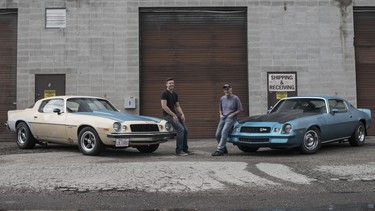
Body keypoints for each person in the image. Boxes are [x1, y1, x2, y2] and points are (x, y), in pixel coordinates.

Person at [212, 84, 243, 156]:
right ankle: (223, 148)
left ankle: (219, 150)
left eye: (228, 89)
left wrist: (232, 114)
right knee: (217, 134)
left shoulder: (235, 98)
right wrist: (220, 114)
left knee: (224, 132)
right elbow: (220, 108)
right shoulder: (222, 98)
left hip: (231, 118)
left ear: (231, 89)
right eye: (225, 89)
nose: (226, 90)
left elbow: (240, 109)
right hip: (223, 118)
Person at [161, 78, 189, 156]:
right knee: (180, 129)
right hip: (168, 116)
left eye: (172, 83)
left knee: (185, 130)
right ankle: (179, 151)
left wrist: (182, 114)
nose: (171, 84)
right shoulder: (164, 93)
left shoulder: (174, 94)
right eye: (170, 83)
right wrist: (173, 115)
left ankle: (185, 149)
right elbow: (164, 106)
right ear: (166, 84)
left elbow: (177, 106)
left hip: (175, 115)